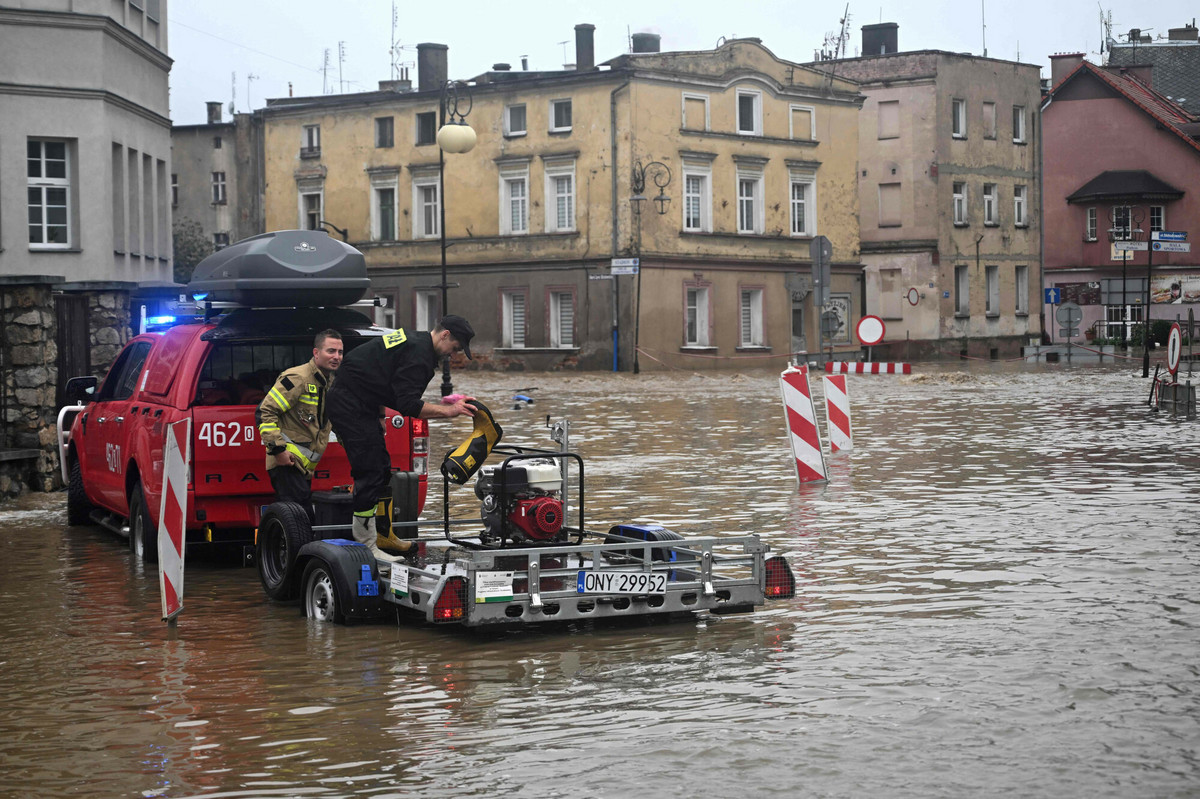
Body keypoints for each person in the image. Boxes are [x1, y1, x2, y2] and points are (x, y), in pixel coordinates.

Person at [327, 315, 476, 562]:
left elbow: (375, 370)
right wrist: (448, 411)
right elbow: (408, 405)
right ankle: (367, 546)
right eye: (456, 347)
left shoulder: (415, 340)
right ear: (445, 335)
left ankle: (383, 534)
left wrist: (380, 412)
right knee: (371, 470)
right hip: (349, 404)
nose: (453, 354)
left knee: (383, 468)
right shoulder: (419, 356)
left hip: (360, 401)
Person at [256, 329, 343, 520]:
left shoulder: (329, 382)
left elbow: (333, 421)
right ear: (316, 353)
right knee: (301, 522)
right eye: (331, 351)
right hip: (288, 463)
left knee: (297, 522)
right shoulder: (298, 378)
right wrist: (278, 451)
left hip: (303, 469)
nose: (336, 357)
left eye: (340, 352)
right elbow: (265, 411)